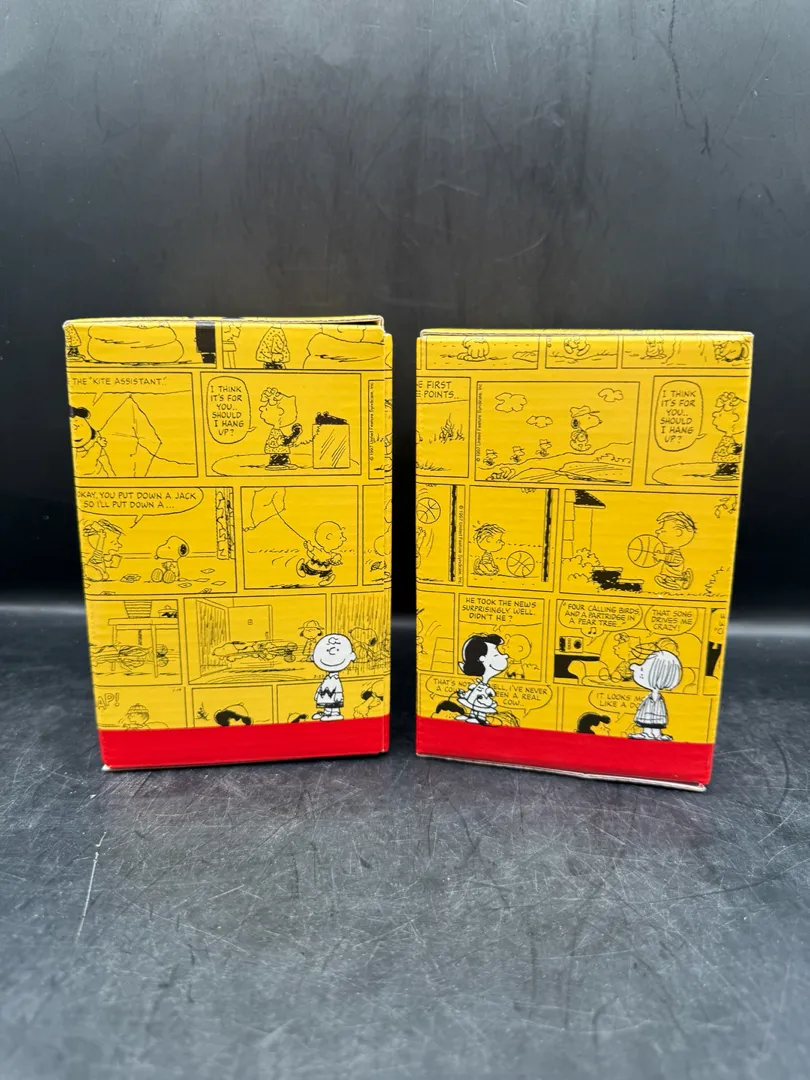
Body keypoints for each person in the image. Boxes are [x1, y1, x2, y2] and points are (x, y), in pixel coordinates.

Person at [628, 649, 682, 740]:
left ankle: (656, 734)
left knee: (654, 721)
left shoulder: (656, 698)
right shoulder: (652, 696)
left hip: (654, 711)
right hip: (650, 710)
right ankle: (648, 733)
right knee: (648, 721)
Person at [456, 633, 510, 725]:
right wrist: (464, 694)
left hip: (483, 701)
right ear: (482, 658)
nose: (505, 656)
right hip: (475, 699)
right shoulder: (478, 684)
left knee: (481, 708)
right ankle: (472, 716)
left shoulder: (485, 687)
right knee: (474, 706)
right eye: (496, 655)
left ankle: (481, 719)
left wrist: (489, 692)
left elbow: (491, 693)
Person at [311, 634, 356, 720]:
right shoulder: (327, 678)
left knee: (334, 705)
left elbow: (338, 689)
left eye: (337, 650)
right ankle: (326, 713)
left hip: (334, 695)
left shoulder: (335, 679)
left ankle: (335, 714)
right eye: (327, 650)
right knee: (327, 703)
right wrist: (317, 693)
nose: (332, 652)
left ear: (351, 656)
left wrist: (338, 696)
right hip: (325, 694)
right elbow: (322, 685)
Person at [259, 387, 303, 468]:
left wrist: (292, 438)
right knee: (276, 456)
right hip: (276, 451)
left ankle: (284, 463)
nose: (261, 409)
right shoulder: (275, 431)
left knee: (284, 455)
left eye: (266, 408)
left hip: (281, 450)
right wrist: (278, 442)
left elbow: (283, 441)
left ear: (280, 412)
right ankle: (275, 464)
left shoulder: (278, 431)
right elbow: (272, 442)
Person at [653, 511, 696, 592]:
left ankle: (674, 583)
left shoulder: (676, 553)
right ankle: (673, 580)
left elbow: (675, 560)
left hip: (673, 574)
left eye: (663, 531)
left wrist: (661, 556)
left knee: (669, 578)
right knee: (664, 577)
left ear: (678, 533)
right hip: (669, 572)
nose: (657, 531)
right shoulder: (672, 551)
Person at [711, 391, 746, 480]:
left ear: (734, 418)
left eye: (720, 413)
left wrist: (732, 450)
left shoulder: (731, 439)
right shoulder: (728, 438)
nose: (714, 414)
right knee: (726, 463)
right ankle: (728, 471)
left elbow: (728, 450)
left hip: (727, 458)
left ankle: (727, 472)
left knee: (727, 463)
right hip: (726, 457)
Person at [297, 522, 346, 586]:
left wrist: (335, 559)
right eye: (340, 537)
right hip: (312, 568)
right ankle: (301, 567)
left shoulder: (332, 554)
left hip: (325, 570)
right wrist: (309, 547)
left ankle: (327, 579)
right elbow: (313, 552)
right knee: (308, 570)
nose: (344, 539)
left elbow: (338, 556)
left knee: (329, 573)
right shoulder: (319, 551)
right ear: (329, 537)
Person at [70, 405, 113, 477]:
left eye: (79, 426)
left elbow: (105, 462)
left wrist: (111, 475)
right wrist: (98, 445)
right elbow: (85, 467)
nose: (76, 433)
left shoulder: (93, 442)